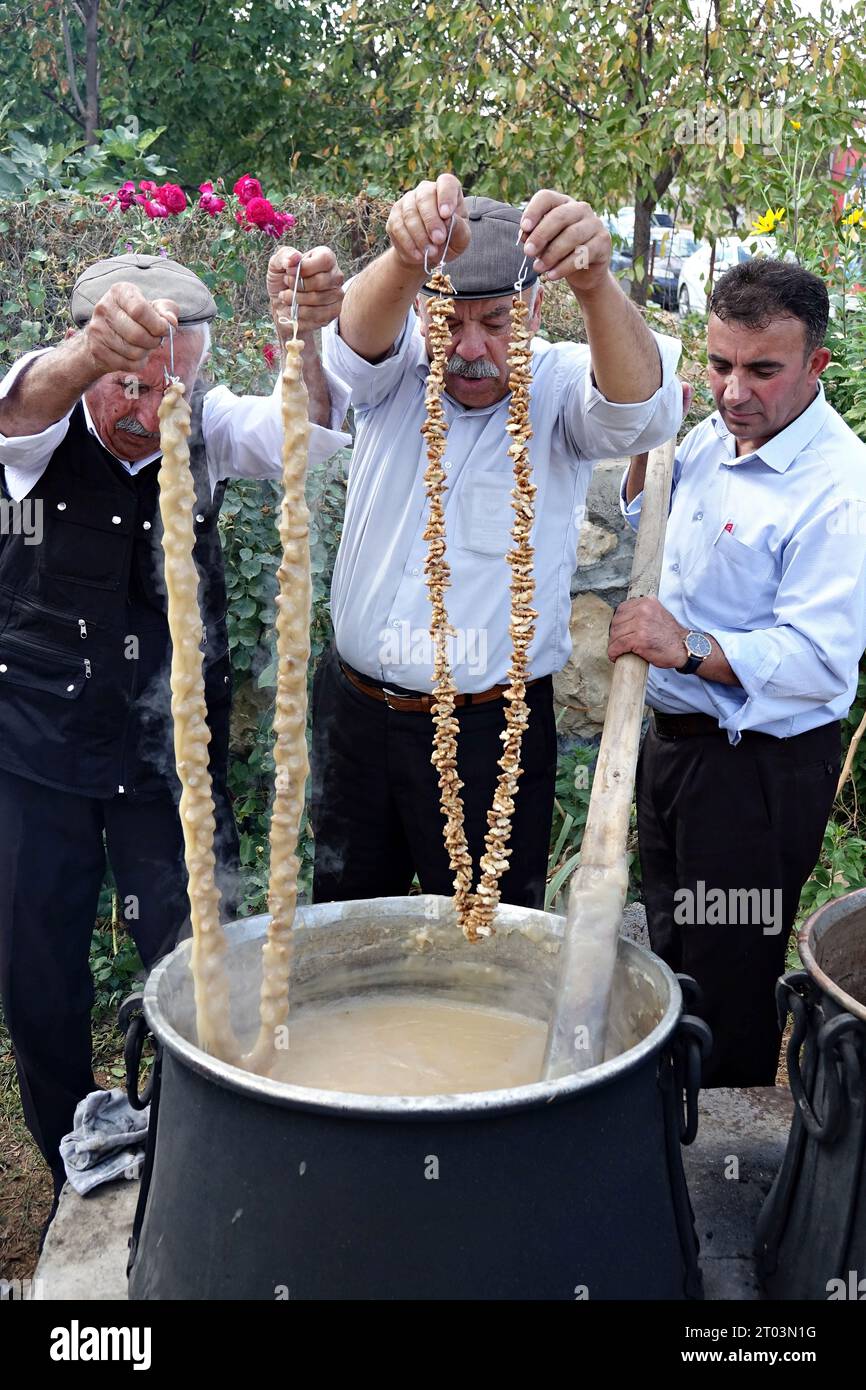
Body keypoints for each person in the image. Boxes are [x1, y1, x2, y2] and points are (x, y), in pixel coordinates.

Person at [0, 247, 349, 1193]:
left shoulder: (209, 423)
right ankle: (75, 1157)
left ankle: (190, 1150)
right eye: (126, 380)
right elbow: (16, 405)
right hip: (37, 760)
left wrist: (304, 339)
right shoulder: (39, 429)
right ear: (83, 357)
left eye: (171, 381)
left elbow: (314, 433)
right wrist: (85, 359)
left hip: (166, 765)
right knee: (37, 975)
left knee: (202, 957)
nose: (150, 403)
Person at [315, 172, 683, 908]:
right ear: (424, 310)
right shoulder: (395, 373)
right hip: (355, 718)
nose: (472, 350)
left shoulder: (558, 388)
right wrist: (402, 254)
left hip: (492, 733)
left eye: (498, 323)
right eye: (451, 320)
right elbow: (349, 346)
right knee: (347, 924)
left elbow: (643, 411)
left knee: (490, 945)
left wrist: (596, 283)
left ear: (536, 307)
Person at [611, 257, 866, 1087]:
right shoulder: (711, 438)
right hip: (675, 752)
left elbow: (818, 658)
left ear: (815, 365)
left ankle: (720, 1170)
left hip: (754, 770)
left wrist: (683, 646)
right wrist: (642, 463)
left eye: (763, 369)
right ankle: (668, 1134)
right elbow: (654, 509)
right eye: (719, 364)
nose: (732, 390)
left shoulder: (840, 487)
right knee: (674, 948)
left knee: (729, 976)